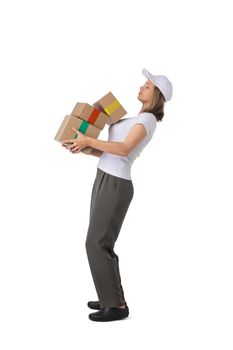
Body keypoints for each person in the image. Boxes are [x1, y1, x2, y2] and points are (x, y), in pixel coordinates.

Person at [62, 68, 173, 322]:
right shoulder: (135, 118)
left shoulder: (147, 121)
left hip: (116, 185)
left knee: (96, 243)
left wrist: (89, 139)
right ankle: (108, 296)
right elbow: (110, 152)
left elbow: (123, 150)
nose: (142, 87)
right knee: (100, 242)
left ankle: (116, 306)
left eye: (147, 86)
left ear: (156, 95)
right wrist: (84, 147)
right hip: (104, 177)